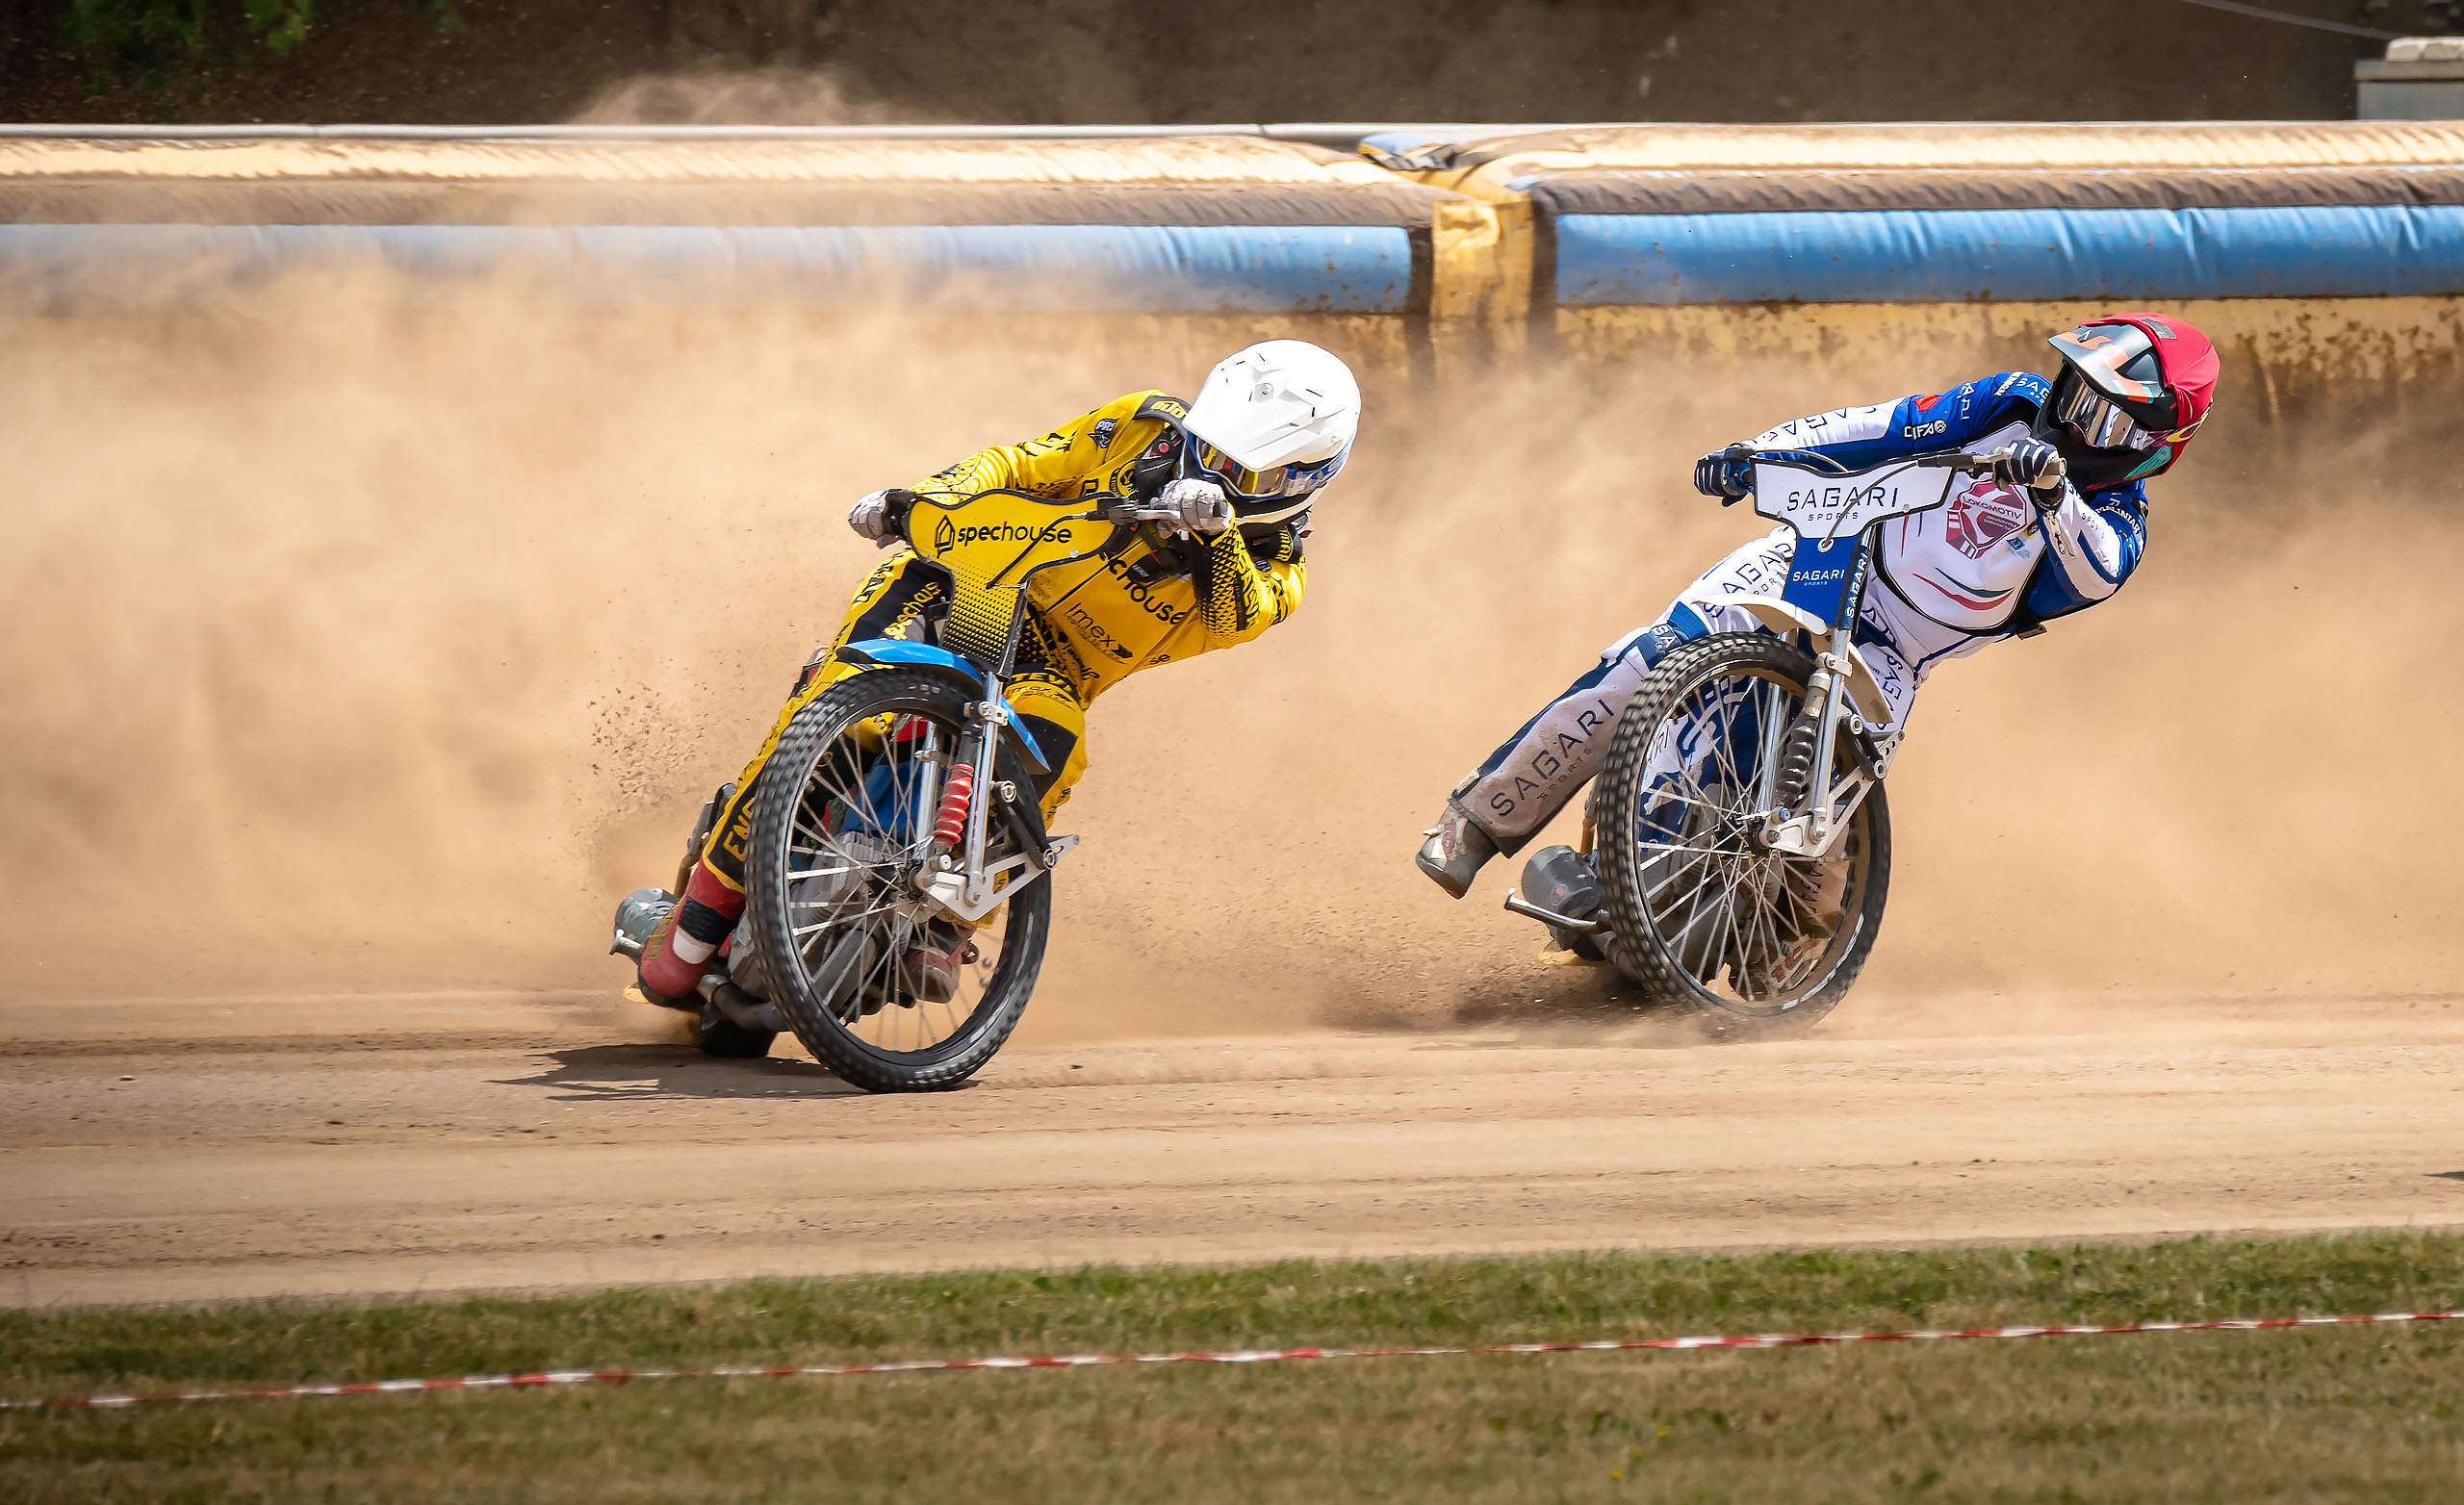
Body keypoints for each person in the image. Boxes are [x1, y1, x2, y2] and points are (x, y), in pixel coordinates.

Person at [636, 339, 1360, 1006]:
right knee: (832, 702)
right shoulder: (1140, 424)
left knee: (1057, 743)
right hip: (971, 586)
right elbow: (1015, 465)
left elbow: (1235, 612)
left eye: (1243, 470)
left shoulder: (1280, 570)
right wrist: (922, 499)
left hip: (1054, 668)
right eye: (1208, 447)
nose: (1212, 471)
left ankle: (949, 920)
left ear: (1302, 480)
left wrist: (1216, 534)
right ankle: (698, 914)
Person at [1415, 312, 2219, 898]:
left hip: (1895, 653)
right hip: (1821, 551)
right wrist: (1758, 451)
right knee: (1645, 662)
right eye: (2075, 390)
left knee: (1820, 836)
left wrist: (2052, 492)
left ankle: (1751, 947)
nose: (2071, 417)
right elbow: (1883, 425)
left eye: (2103, 414)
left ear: (2154, 445)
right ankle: (1477, 821)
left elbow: (2095, 571)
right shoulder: (2009, 400)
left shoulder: (2118, 521)